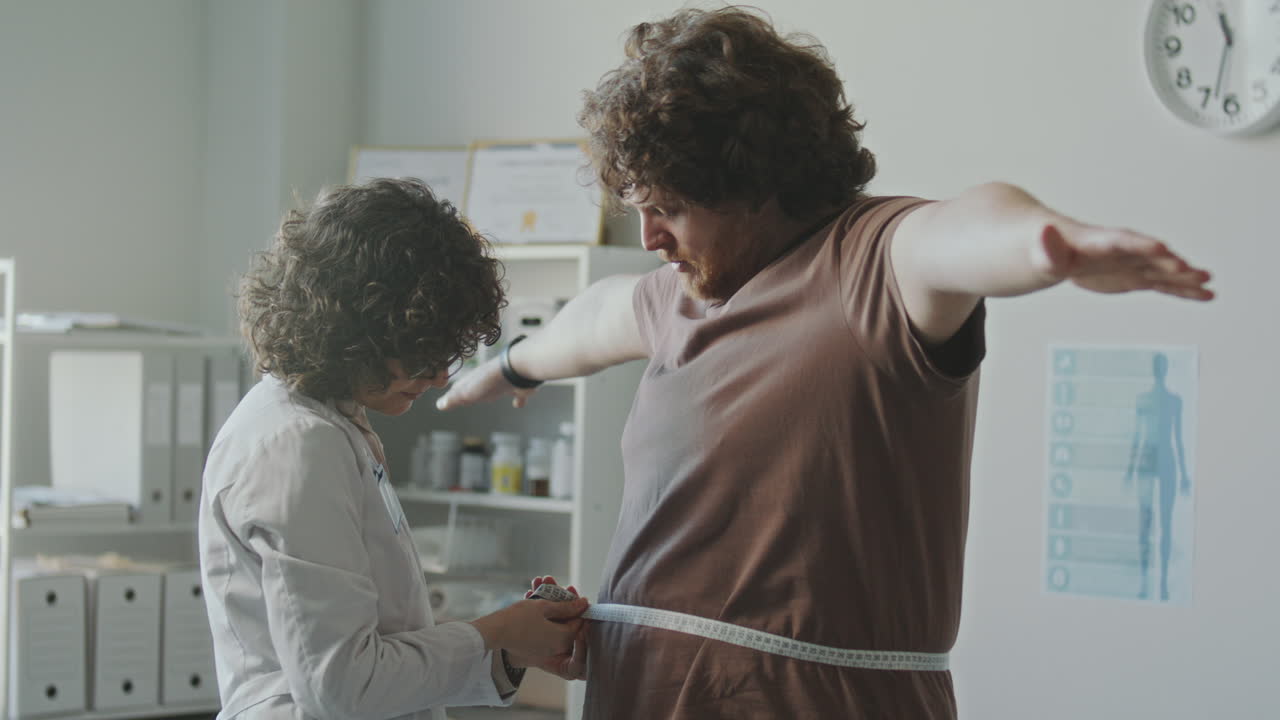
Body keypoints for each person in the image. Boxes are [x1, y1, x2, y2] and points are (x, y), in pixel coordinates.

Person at [437, 7, 1214, 719]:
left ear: (751, 186)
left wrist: (1049, 245)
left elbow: (968, 224)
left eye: (667, 208)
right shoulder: (676, 299)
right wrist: (508, 367)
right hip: (645, 691)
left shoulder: (871, 262)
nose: (649, 238)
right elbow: (594, 317)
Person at [199, 177, 589, 720]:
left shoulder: (333, 425)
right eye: (419, 351)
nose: (435, 378)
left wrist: (512, 649)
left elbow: (385, 656)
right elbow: (343, 688)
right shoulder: (298, 445)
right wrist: (491, 631)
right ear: (355, 329)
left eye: (444, 352)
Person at [1123, 352, 1192, 602]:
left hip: (1164, 460)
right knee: (1147, 524)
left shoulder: (1174, 401)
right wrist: (1129, 470)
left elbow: (1178, 438)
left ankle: (1161, 583)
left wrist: (1184, 473)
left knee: (1164, 523)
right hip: (1151, 459)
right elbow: (1136, 438)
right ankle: (1146, 583)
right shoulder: (1145, 400)